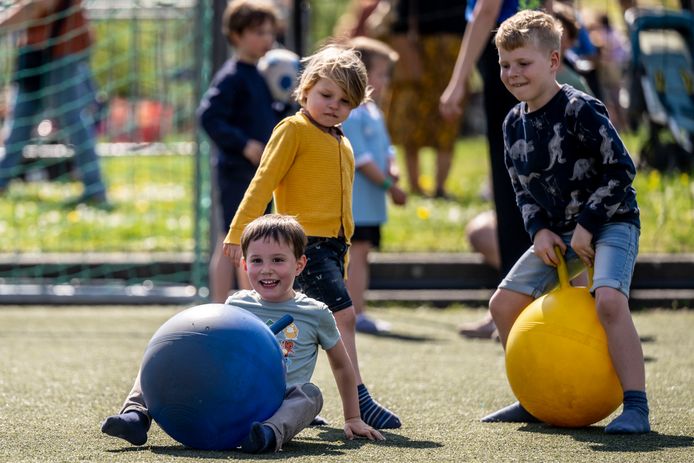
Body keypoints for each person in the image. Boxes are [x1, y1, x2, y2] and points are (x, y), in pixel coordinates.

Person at [481, 10, 650, 434]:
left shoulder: (580, 108)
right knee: (503, 304)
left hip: (611, 221)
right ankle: (532, 398)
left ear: (554, 62)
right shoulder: (512, 123)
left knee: (609, 301)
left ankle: (636, 405)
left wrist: (590, 225)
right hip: (558, 233)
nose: (512, 73)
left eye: (523, 63)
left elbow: (621, 170)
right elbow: (522, 189)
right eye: (504, 65)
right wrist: (538, 230)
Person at [223, 44, 401, 429]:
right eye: (326, 95)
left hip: (332, 247)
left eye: (345, 101)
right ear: (305, 90)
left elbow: (343, 210)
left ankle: (288, 397)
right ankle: (360, 402)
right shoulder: (293, 130)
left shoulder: (342, 142)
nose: (334, 105)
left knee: (301, 327)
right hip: (303, 244)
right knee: (344, 317)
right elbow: (263, 181)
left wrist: (345, 253)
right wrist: (239, 231)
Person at [101, 214, 385, 452]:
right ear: (245, 264)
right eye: (257, 261)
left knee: (310, 394)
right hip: (226, 391)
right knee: (160, 359)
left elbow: (341, 365)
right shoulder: (237, 303)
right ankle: (135, 415)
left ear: (299, 264)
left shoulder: (315, 312)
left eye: (278, 260)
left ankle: (267, 435)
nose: (267, 270)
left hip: (275, 402)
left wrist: (353, 417)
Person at [440, 0, 546, 277]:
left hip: (509, 63)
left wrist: (457, 82)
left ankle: (518, 301)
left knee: (511, 188)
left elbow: (486, 10)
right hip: (535, 55)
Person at [198, 0, 284, 303]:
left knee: (254, 237)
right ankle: (221, 305)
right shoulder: (233, 75)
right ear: (236, 35)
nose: (267, 39)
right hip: (236, 171)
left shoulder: (261, 75)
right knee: (231, 238)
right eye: (259, 32)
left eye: (270, 32)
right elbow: (208, 117)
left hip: (259, 173)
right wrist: (243, 143)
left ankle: (248, 302)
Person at [0, 0, 109, 207]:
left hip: (62, 51)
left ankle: (95, 189)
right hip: (34, 53)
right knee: (20, 121)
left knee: (72, 120)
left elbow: (37, 6)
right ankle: (1, 180)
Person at [342, 36, 407, 335]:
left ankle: (357, 310)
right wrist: (389, 187)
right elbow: (363, 160)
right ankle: (353, 313)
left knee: (361, 255)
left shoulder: (373, 111)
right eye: (380, 74)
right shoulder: (352, 113)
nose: (384, 81)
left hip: (371, 204)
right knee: (356, 256)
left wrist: (392, 169)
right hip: (357, 205)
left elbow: (386, 150)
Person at [384, 0, 468, 198]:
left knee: (443, 116)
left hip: (440, 45)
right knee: (417, 116)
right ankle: (423, 186)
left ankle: (431, 186)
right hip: (431, 46)